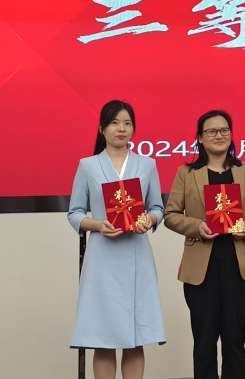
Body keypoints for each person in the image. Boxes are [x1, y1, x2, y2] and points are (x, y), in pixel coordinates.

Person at [164, 110, 245, 379]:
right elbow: (171, 215)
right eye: (211, 131)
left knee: (235, 340)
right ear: (200, 138)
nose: (218, 136)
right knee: (204, 342)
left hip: (238, 265)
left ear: (231, 135)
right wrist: (196, 226)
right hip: (201, 269)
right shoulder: (187, 173)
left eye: (224, 130)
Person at [67, 100, 165, 379]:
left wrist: (150, 220)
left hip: (137, 254)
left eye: (127, 123)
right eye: (114, 123)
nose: (121, 129)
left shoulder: (147, 164)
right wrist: (97, 225)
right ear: (102, 128)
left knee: (135, 337)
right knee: (104, 336)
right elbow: (75, 213)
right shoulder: (87, 166)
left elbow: (157, 207)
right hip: (102, 259)